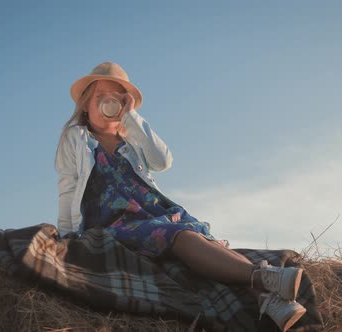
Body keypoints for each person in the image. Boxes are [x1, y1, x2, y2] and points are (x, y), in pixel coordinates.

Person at [54, 61, 307, 331]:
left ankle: (271, 302)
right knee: (180, 237)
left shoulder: (132, 142)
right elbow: (68, 189)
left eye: (116, 97)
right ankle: (264, 277)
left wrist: (132, 117)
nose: (108, 102)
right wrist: (67, 239)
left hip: (156, 211)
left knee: (206, 242)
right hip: (116, 224)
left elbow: (163, 161)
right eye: (100, 97)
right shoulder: (76, 138)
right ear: (84, 104)